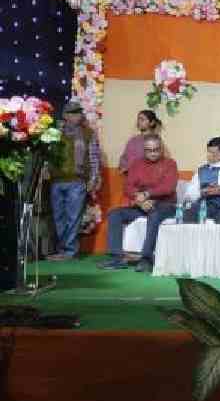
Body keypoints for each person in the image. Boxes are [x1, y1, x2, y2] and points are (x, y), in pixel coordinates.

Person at [101, 135, 178, 273]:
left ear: (162, 149)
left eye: (156, 150)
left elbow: (168, 187)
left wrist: (147, 194)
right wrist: (139, 199)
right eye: (149, 150)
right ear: (144, 150)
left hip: (166, 206)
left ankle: (146, 259)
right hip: (142, 204)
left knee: (153, 214)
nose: (153, 153)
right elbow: (128, 186)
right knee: (115, 214)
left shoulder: (170, 164)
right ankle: (116, 258)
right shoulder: (137, 164)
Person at [47, 100, 101, 261]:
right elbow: (47, 155)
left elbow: (94, 159)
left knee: (73, 217)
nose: (77, 115)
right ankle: (62, 249)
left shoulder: (88, 133)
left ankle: (69, 251)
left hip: (77, 181)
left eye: (79, 112)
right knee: (58, 217)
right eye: (73, 112)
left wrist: (93, 179)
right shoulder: (54, 133)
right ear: (65, 115)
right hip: (56, 180)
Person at [118, 110, 165, 175]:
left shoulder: (156, 140)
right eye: (138, 119)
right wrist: (123, 167)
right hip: (131, 178)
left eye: (142, 119)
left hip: (147, 178)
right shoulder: (133, 140)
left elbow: (158, 161)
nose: (139, 122)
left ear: (152, 122)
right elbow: (124, 157)